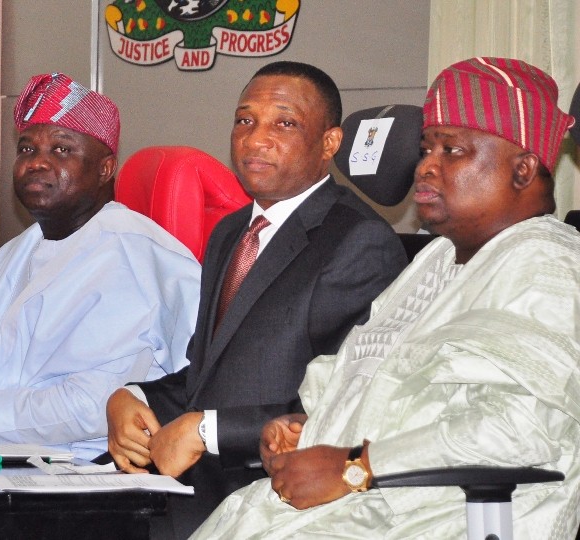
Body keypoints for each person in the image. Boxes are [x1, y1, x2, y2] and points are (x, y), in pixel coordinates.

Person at [193, 57, 580, 539]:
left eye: (452, 150)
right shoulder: (438, 259)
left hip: (438, 517)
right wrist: (303, 426)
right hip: (351, 508)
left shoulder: (546, 265)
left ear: (522, 171)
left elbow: (515, 435)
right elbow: (364, 377)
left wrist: (352, 467)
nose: (426, 166)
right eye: (426, 148)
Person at [105, 61, 407, 538]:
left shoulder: (357, 241)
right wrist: (130, 395)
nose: (256, 138)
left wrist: (205, 429)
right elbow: (205, 377)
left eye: (284, 123)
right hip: (190, 485)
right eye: (245, 121)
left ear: (329, 143)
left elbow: (345, 404)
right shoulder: (230, 232)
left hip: (272, 494)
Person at [0, 72, 202, 461]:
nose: (37, 163)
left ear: (105, 168)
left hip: (81, 474)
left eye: (61, 150)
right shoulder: (13, 256)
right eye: (26, 149)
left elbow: (95, 406)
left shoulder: (134, 260)